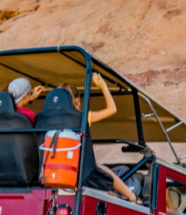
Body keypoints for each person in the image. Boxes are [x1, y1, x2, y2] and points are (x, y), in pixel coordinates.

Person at [56, 74, 139, 203]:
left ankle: (115, 196)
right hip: (78, 169)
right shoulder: (82, 118)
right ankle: (132, 197)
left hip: (53, 167)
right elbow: (112, 109)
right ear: (77, 100)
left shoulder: (45, 119)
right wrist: (103, 87)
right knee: (102, 169)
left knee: (100, 171)